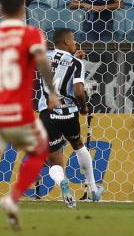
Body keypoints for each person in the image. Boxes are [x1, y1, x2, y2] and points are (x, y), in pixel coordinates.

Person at [0, 0, 58, 230]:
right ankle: (13, 198)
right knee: (39, 150)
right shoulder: (31, 34)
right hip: (18, 111)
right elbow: (41, 61)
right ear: (23, 9)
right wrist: (52, 92)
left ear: (1, 10)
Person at [38, 28, 104, 208]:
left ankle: (63, 183)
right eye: (74, 40)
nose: (76, 43)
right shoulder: (76, 63)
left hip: (48, 113)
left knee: (54, 161)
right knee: (78, 146)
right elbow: (78, 90)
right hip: (69, 114)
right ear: (67, 41)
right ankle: (93, 188)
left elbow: (57, 70)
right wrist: (83, 106)